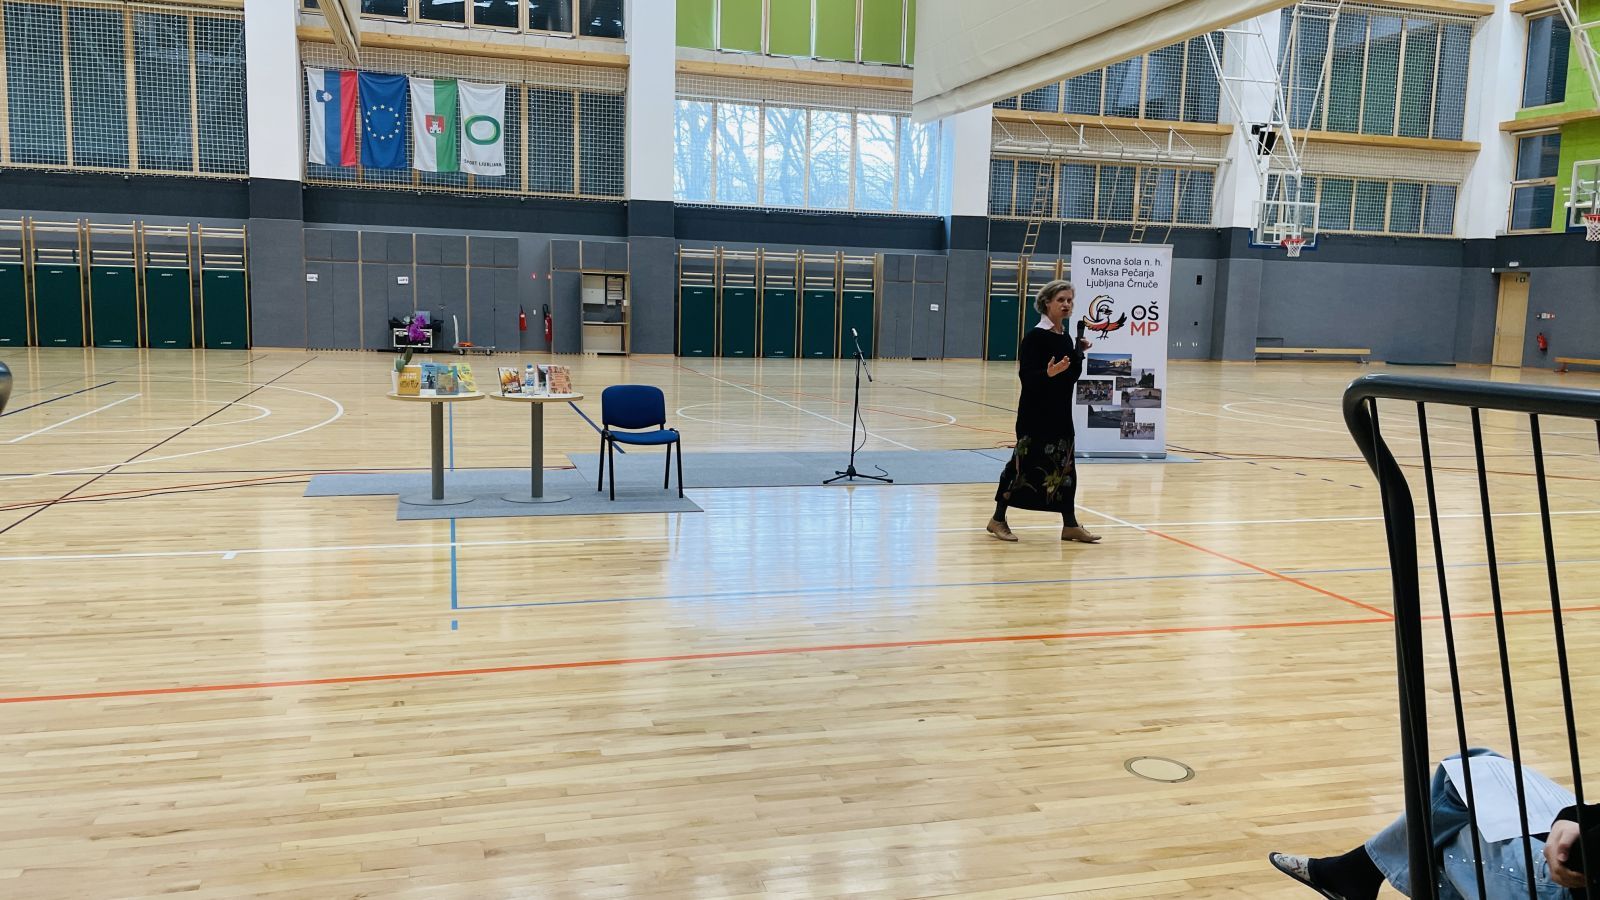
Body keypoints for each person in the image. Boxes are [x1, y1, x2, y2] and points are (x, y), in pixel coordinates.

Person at [1270, 750, 1596, 899]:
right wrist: (1573, 816)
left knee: (1448, 830)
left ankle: (1356, 872)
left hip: (1564, 884)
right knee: (1469, 768)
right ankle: (1357, 873)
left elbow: (1582, 859)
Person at [987, 278, 1100, 544]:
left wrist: (1078, 352)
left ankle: (1070, 525)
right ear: (1046, 303)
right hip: (1035, 414)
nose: (1066, 304)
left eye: (1069, 300)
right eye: (1061, 300)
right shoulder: (1035, 337)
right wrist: (1048, 373)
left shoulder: (1065, 337)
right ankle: (997, 519)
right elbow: (1027, 377)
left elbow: (1071, 375)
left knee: (1064, 467)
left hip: (1060, 412)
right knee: (1021, 467)